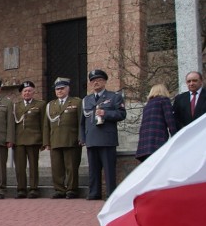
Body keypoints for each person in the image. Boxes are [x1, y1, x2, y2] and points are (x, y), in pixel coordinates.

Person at [80, 69, 126, 200]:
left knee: (109, 169)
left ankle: (111, 194)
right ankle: (94, 193)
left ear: (105, 81)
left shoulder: (114, 97)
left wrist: (106, 114)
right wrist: (82, 137)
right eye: (93, 81)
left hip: (107, 138)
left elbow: (122, 114)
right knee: (93, 170)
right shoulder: (86, 100)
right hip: (91, 138)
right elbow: (82, 121)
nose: (96, 82)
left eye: (99, 80)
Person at [42, 77, 82, 199]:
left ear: (68, 89)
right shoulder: (50, 105)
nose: (59, 91)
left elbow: (81, 121)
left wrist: (81, 137)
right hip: (55, 140)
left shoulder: (76, 102)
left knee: (71, 166)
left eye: (62, 88)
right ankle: (59, 189)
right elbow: (46, 125)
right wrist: (46, 142)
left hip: (71, 139)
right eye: (57, 89)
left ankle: (71, 189)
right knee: (57, 167)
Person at [13, 81, 45, 199]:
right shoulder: (16, 106)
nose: (27, 93)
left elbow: (43, 124)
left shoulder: (40, 105)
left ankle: (33, 189)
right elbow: (12, 124)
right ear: (21, 93)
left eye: (29, 91)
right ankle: (21, 189)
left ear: (33, 92)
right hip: (19, 140)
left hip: (34, 139)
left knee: (33, 166)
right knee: (20, 167)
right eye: (25, 91)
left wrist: (44, 141)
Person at [136, 83, 177, 162]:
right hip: (157, 139)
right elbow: (170, 119)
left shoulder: (147, 105)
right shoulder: (164, 100)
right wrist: (175, 136)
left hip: (144, 143)